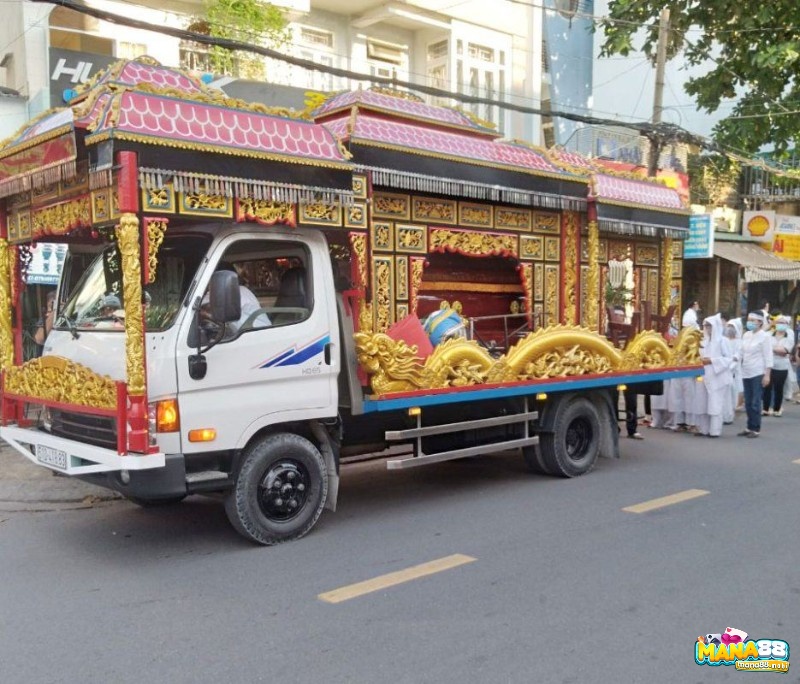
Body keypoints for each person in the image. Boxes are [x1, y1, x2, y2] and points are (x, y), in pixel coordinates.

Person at [202, 261, 270, 335]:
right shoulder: (242, 290)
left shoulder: (236, 291)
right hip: (251, 333)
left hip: (255, 335)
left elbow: (203, 309)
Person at [693, 314, 732, 438]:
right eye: (705, 326)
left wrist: (712, 361)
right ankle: (703, 429)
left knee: (715, 404)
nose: (707, 328)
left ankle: (714, 430)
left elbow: (728, 359)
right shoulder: (703, 342)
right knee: (702, 403)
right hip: (704, 375)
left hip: (717, 376)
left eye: (709, 326)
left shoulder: (723, 341)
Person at [738, 311, 773, 438]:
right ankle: (749, 426)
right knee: (747, 402)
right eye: (749, 319)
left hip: (758, 372)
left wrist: (767, 375)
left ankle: (756, 428)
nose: (750, 322)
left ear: (760, 322)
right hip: (746, 371)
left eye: (753, 320)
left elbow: (768, 356)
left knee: (755, 401)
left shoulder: (765, 336)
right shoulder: (746, 335)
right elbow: (741, 352)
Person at [762, 316, 792, 417]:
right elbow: (763, 343)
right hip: (769, 366)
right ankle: (765, 409)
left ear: (787, 325)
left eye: (783, 323)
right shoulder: (769, 335)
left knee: (779, 388)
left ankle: (777, 409)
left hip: (782, 367)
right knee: (767, 387)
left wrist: (771, 348)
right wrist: (777, 349)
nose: (780, 325)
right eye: (779, 322)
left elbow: (785, 351)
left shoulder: (789, 337)